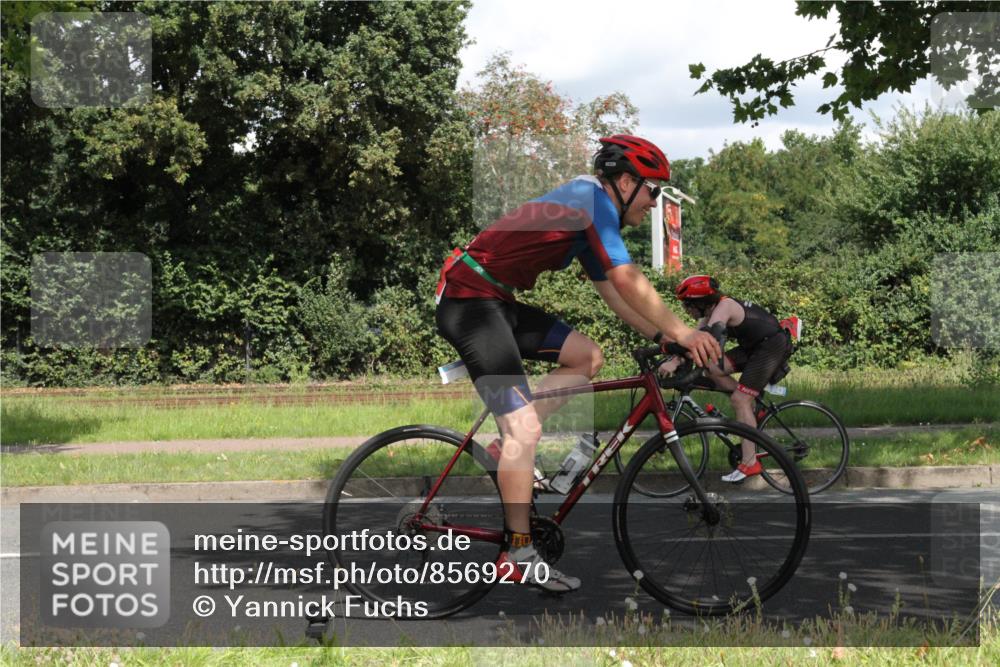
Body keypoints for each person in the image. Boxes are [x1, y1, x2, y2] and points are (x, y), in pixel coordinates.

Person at [435, 135, 721, 593]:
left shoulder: (589, 210)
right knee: (524, 429)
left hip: (496, 301)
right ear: (626, 181)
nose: (653, 202)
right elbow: (628, 277)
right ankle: (517, 552)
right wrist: (687, 332)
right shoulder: (591, 200)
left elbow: (614, 293)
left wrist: (664, 338)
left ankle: (504, 447)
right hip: (470, 302)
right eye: (653, 191)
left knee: (587, 356)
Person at [660, 275, 794, 482]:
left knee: (739, 400)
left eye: (688, 305)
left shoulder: (724, 308)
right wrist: (675, 359)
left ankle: (750, 463)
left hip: (771, 346)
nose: (686, 309)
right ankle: (750, 408)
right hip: (754, 346)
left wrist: (675, 361)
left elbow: (708, 342)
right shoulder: (710, 313)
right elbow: (693, 340)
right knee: (713, 369)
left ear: (702, 302)